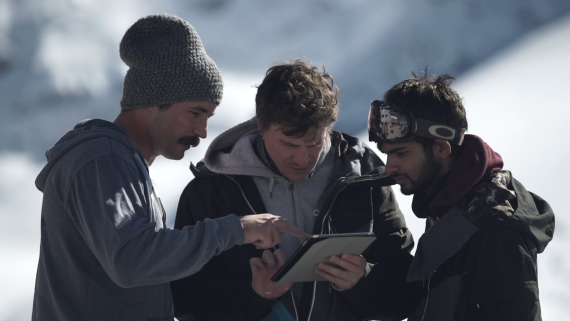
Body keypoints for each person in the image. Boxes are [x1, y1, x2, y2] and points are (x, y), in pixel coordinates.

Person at [32, 14, 306, 321]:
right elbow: (132, 260)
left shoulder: (121, 163)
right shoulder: (101, 159)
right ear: (153, 99)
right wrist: (238, 229)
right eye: (195, 112)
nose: (203, 131)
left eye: (209, 117)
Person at [170, 60, 414, 321]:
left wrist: (363, 281)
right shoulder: (211, 190)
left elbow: (405, 292)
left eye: (315, 143)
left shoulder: (364, 176)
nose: (302, 159)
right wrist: (254, 294)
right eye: (289, 144)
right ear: (261, 125)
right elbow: (186, 301)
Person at [368, 72, 555, 321]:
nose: (390, 167)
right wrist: (362, 281)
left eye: (401, 153)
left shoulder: (494, 227)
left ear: (442, 148)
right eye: (387, 154)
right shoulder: (452, 202)